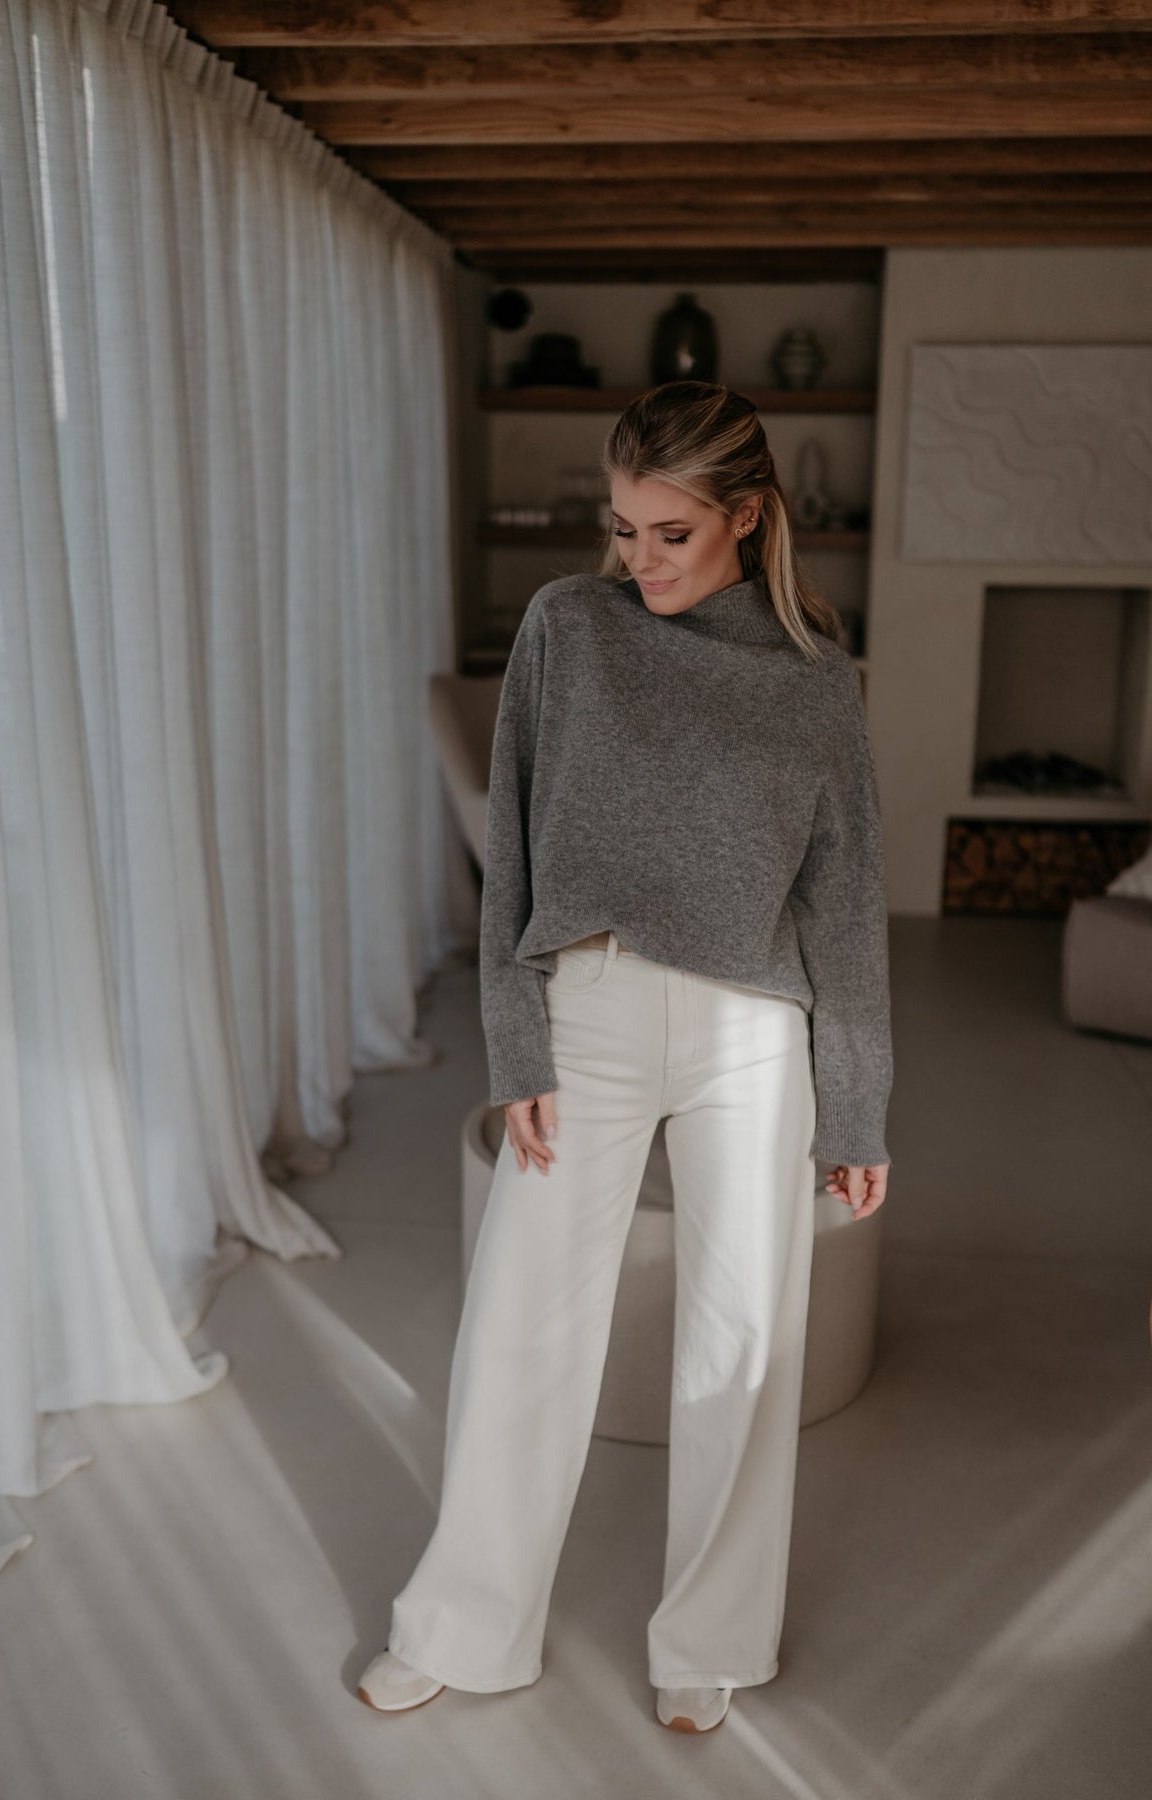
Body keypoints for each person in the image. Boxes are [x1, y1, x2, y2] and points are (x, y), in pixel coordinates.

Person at [358, 381, 893, 1732]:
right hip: (586, 1010)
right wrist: (516, 1037)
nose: (640, 560)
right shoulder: (568, 628)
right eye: (624, 530)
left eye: (671, 534)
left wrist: (856, 1108)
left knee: (740, 1339)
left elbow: (841, 904)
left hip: (751, 1037)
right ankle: (464, 1624)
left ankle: (708, 1637)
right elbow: (511, 851)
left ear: (745, 517)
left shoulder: (815, 681)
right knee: (520, 1325)